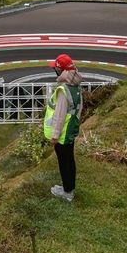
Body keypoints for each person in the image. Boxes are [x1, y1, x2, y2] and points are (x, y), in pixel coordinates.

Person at [44, 53, 83, 202]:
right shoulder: (76, 86)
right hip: (71, 130)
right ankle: (69, 188)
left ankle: (67, 192)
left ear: (62, 71)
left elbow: (59, 116)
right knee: (69, 160)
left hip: (62, 133)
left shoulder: (63, 89)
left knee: (64, 161)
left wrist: (55, 136)